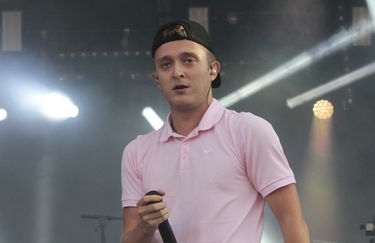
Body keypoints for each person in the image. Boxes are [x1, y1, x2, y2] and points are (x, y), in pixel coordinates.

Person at [120, 19, 310, 243]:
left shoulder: (249, 131)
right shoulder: (137, 150)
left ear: (213, 69)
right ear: (157, 80)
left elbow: (292, 223)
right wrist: (145, 226)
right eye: (165, 64)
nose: (177, 72)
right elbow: (128, 237)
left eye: (189, 60)